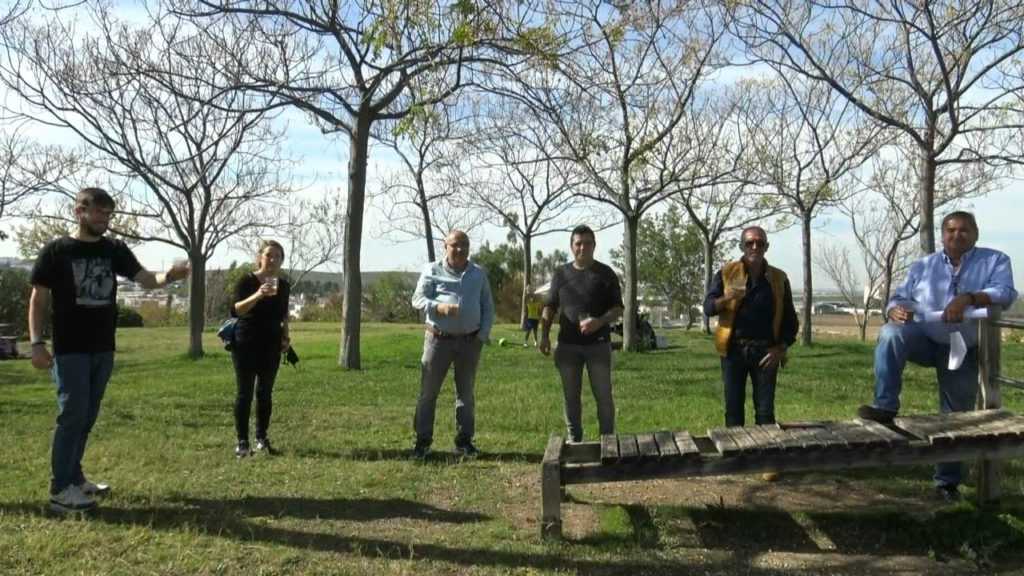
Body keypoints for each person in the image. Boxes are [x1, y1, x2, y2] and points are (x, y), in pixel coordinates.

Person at [28, 187, 189, 513]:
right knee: (72, 414)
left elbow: (145, 279)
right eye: (97, 212)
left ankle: (74, 477)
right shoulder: (56, 251)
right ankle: (60, 489)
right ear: (79, 211)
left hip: (104, 346)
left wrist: (170, 275)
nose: (104, 219)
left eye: (107, 213)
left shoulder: (114, 249)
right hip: (70, 348)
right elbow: (38, 299)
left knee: (87, 415)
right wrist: (36, 344)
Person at [856, 211, 1017, 503]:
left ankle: (946, 483)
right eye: (951, 230)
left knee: (955, 417)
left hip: (964, 347)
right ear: (942, 235)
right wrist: (894, 309)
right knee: (892, 333)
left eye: (964, 230)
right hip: (926, 339)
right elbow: (900, 297)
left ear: (976, 234)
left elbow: (1005, 293)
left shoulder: (996, 260)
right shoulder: (923, 266)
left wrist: (968, 298)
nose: (957, 235)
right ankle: (885, 406)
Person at [410, 230, 495, 459]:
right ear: (445, 247)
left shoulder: (477, 274)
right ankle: (422, 443)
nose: (460, 250)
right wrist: (439, 307)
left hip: (469, 342)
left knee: (465, 395)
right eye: (455, 245)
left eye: (464, 245)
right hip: (438, 340)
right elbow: (417, 299)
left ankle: (464, 442)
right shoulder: (432, 270)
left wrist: (481, 336)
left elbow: (487, 307)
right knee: (428, 394)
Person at [704, 226, 798, 430]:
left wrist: (779, 349)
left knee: (765, 413)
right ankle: (735, 459)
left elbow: (791, 322)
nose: (754, 247)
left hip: (766, 353)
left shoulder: (779, 278)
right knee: (733, 412)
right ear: (741, 246)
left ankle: (764, 459)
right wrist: (728, 297)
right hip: (733, 351)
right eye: (749, 243)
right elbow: (708, 307)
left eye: (760, 243)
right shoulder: (726, 273)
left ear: (766, 247)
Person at [540, 225, 624, 443]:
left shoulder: (606, 274)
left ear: (594, 246)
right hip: (567, 345)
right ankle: (574, 441)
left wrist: (600, 321)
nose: (582, 247)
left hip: (598, 345)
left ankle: (608, 441)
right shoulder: (561, 274)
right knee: (570, 397)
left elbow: (618, 308)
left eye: (587, 243)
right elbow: (550, 305)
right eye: (578, 243)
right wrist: (545, 334)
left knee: (603, 396)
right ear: (571, 246)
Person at [230, 240, 291, 458]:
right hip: (246, 343)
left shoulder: (283, 285)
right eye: (269, 255)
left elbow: (283, 315)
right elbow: (236, 310)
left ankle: (261, 438)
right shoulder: (246, 281)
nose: (273, 260)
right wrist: (258, 295)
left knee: (264, 393)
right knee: (244, 393)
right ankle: (242, 442)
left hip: (271, 344)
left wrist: (286, 337)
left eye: (278, 256)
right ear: (260, 257)